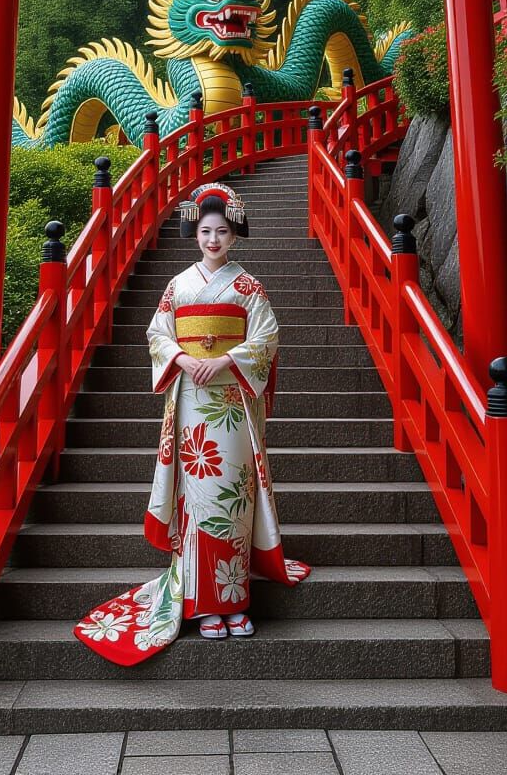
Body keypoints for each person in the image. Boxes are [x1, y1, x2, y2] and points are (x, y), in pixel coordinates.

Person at [73, 182, 310, 665]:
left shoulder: (249, 287)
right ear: (194, 233)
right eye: (205, 231)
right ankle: (203, 605)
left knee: (234, 496)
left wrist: (225, 361)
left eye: (222, 231)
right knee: (198, 499)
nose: (213, 239)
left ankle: (235, 599)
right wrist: (182, 357)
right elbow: (157, 333)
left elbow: (267, 336)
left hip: (233, 405)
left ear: (235, 234)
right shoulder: (178, 285)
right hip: (191, 405)